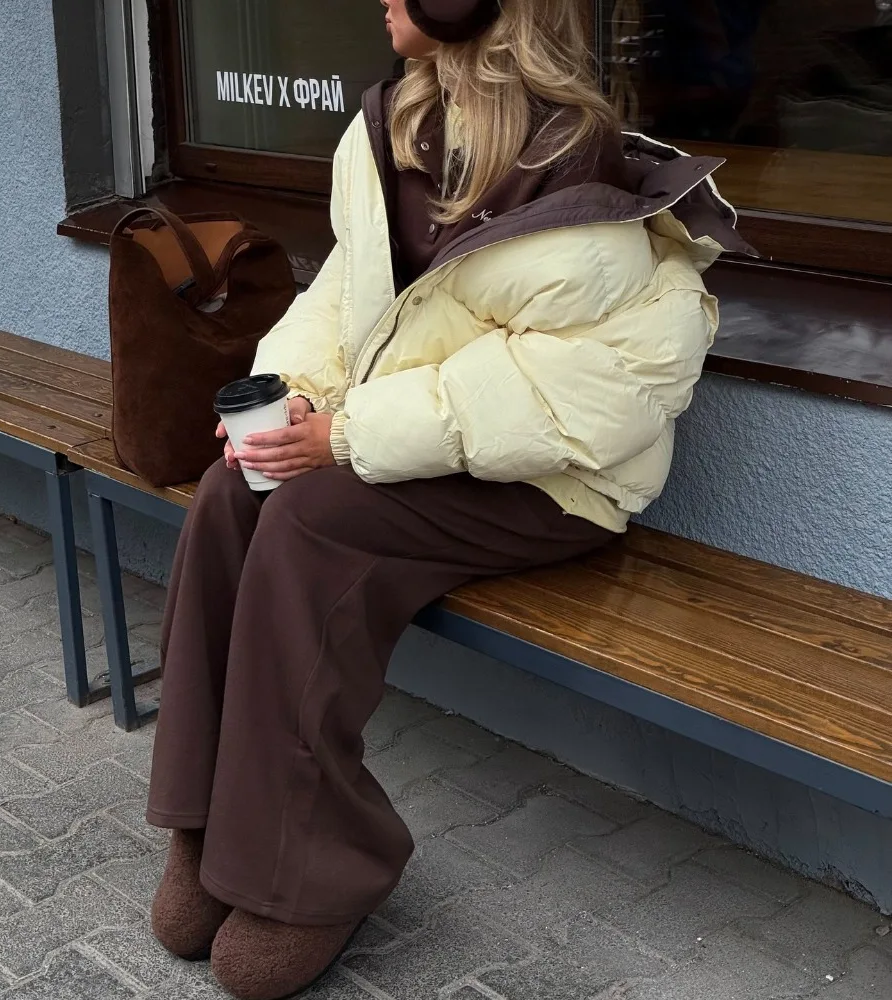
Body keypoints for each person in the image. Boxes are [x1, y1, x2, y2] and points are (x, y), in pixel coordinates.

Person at [145, 1, 751, 997]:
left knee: (306, 523)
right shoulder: (400, 122)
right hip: (421, 446)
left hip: (550, 478)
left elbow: (580, 397)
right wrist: (295, 394)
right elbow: (353, 289)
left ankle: (314, 868)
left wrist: (346, 437)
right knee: (232, 492)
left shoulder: (578, 163)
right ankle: (210, 822)